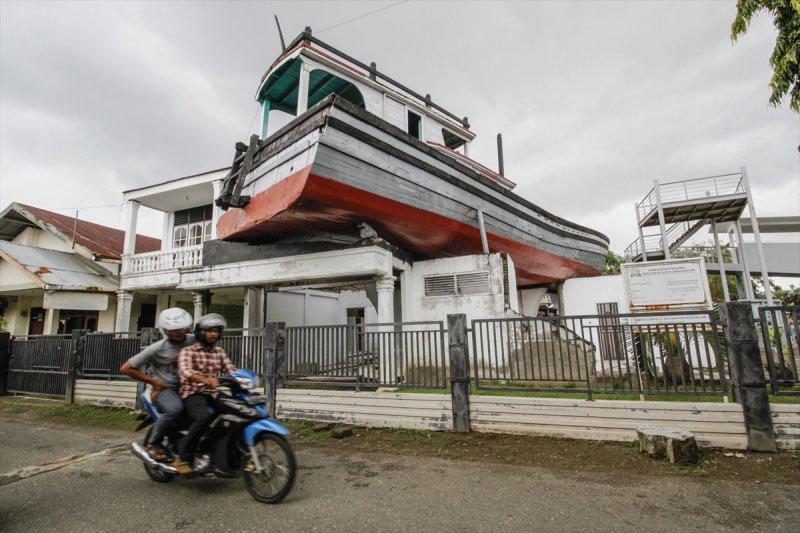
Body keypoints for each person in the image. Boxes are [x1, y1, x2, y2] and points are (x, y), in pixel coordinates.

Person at [120, 307, 194, 461]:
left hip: (187, 387)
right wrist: (154, 382)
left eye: (182, 328)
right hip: (165, 389)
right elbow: (126, 368)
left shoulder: (193, 340)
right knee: (174, 409)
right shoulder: (157, 348)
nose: (179, 332)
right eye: (174, 330)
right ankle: (153, 443)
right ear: (165, 331)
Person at [172, 313, 237, 474]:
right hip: (192, 393)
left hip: (213, 394)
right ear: (200, 332)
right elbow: (186, 372)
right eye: (209, 331)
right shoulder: (188, 351)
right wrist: (206, 379)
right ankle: (182, 456)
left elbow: (231, 370)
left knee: (239, 411)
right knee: (203, 417)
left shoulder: (219, 352)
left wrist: (245, 379)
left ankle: (232, 453)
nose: (213, 334)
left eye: (216, 331)